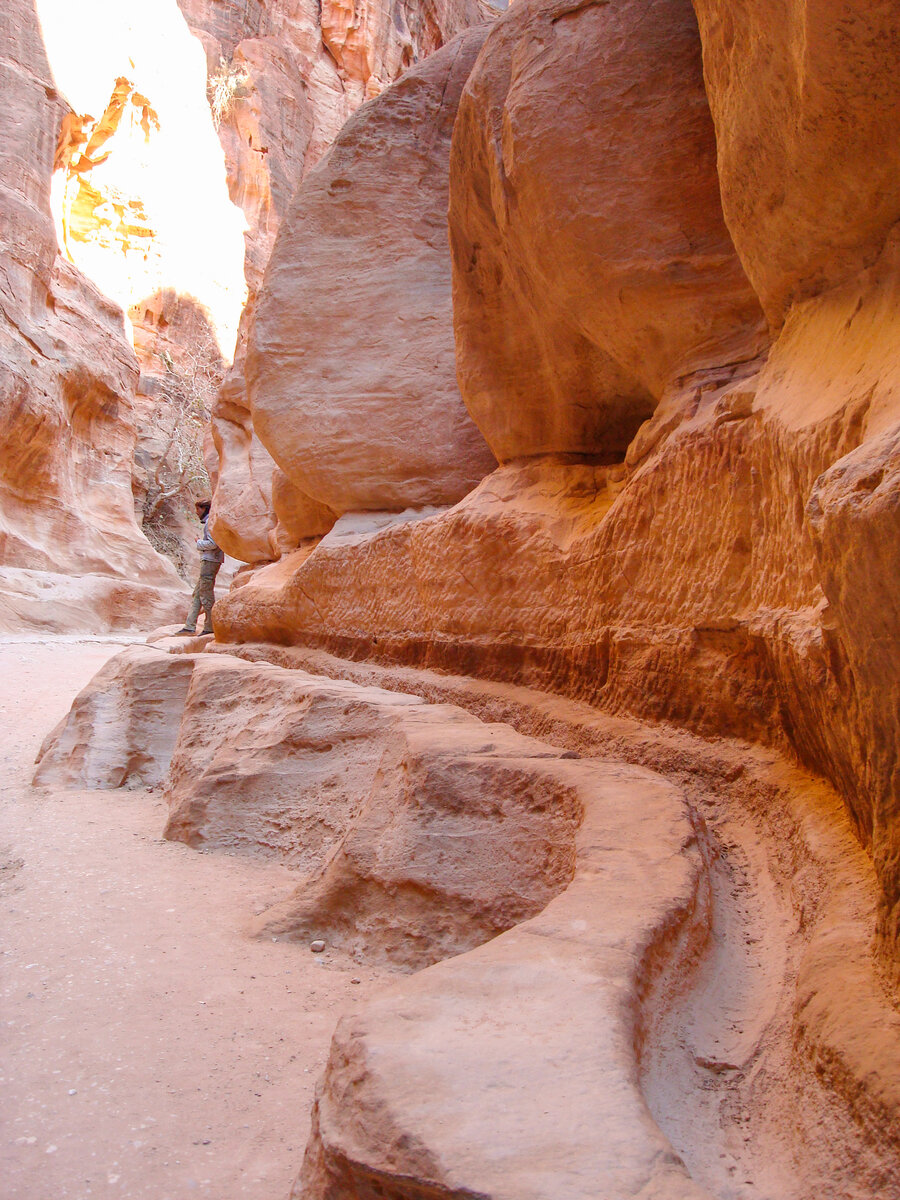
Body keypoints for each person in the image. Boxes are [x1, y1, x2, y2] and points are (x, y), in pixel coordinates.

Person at [176, 500, 224, 636]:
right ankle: (189, 625)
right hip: (210, 560)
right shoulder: (211, 521)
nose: (196, 512)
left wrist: (199, 543)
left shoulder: (210, 522)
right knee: (198, 593)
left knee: (205, 594)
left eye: (198, 509)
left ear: (204, 509)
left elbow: (213, 544)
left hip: (210, 560)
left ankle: (209, 627)